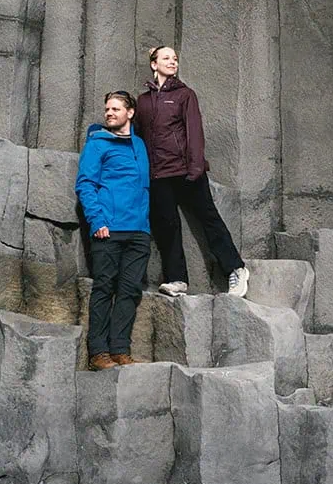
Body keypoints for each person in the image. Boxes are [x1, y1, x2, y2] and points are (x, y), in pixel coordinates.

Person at [133, 45, 249, 299]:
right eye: (166, 58)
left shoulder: (185, 95)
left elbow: (194, 130)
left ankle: (236, 268)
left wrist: (195, 167)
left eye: (175, 58)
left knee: (209, 220)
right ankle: (177, 279)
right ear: (154, 64)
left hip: (186, 170)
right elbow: (139, 138)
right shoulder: (142, 102)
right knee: (167, 227)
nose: (172, 62)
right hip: (158, 174)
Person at [75, 90, 151, 370]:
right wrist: (97, 221)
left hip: (139, 231)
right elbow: (85, 184)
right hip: (108, 229)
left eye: (116, 109)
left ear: (130, 112)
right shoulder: (97, 144)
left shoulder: (140, 145)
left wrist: (146, 227)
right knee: (105, 288)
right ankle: (98, 352)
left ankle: (120, 349)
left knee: (130, 290)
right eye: (107, 109)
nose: (109, 113)